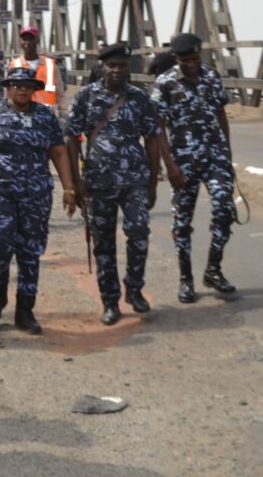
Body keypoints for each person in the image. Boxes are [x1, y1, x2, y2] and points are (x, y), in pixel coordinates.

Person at [0, 67, 78, 333]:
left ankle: (25, 310)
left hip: (36, 195)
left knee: (30, 252)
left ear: (34, 89)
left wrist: (69, 189)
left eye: (27, 85)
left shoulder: (46, 117)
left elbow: (59, 153)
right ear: (8, 87)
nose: (22, 89)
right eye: (16, 84)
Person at [65, 42, 163, 326]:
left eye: (122, 66)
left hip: (135, 179)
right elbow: (71, 139)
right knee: (103, 243)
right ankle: (109, 301)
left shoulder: (140, 98)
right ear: (102, 67)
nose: (118, 71)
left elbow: (153, 139)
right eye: (112, 65)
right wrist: (74, 182)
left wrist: (153, 182)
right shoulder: (86, 97)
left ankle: (134, 288)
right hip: (98, 181)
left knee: (139, 232)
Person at [151, 33, 236, 304]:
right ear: (176, 58)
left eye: (195, 59)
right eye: (186, 60)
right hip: (183, 162)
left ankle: (213, 269)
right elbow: (158, 127)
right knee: (182, 221)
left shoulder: (211, 77)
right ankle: (185, 278)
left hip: (215, 157)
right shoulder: (164, 84)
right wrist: (169, 165)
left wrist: (227, 153)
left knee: (224, 209)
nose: (191, 64)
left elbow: (221, 113)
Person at [9, 26, 63, 117]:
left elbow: (60, 94)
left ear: (37, 40)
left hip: (46, 118)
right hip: (21, 117)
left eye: (31, 39)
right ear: (20, 42)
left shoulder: (51, 65)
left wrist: (62, 114)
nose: (27, 42)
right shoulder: (14, 65)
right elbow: (8, 96)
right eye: (24, 39)